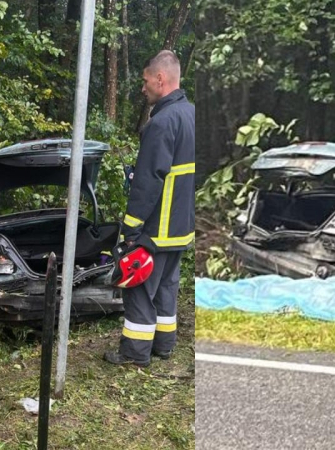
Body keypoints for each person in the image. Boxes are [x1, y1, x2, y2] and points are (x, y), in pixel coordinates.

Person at [104, 50, 195, 367]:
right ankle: (163, 345)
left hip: (157, 227)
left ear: (160, 78)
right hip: (182, 227)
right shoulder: (192, 115)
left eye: (145, 81)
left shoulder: (162, 123)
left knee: (140, 289)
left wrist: (131, 228)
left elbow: (148, 181)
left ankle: (134, 354)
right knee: (166, 289)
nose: (142, 88)